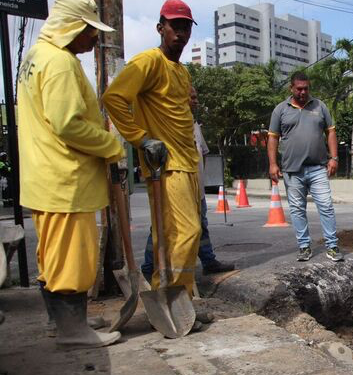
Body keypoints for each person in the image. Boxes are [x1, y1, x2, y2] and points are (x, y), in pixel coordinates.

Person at [18, 0, 123, 348]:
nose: (94, 37)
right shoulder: (61, 63)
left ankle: (61, 321)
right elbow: (68, 124)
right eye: (91, 29)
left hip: (43, 177)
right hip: (65, 180)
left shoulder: (36, 56)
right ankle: (72, 331)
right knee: (71, 260)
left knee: (51, 258)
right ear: (73, 27)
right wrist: (111, 146)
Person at [103, 0, 200, 296]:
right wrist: (141, 139)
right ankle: (175, 293)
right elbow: (114, 98)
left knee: (172, 235)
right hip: (167, 164)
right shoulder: (148, 61)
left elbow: (178, 112)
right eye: (175, 26)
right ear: (161, 28)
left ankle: (178, 294)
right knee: (187, 232)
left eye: (185, 27)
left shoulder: (181, 71)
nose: (180, 33)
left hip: (188, 160)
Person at [141, 86, 234, 279]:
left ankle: (208, 261)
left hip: (195, 187)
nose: (195, 101)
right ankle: (150, 267)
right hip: (175, 187)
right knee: (162, 227)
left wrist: (199, 178)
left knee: (201, 226)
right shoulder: (168, 125)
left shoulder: (194, 126)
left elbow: (204, 154)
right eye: (192, 98)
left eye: (196, 97)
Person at [267, 72, 344, 262]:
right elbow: (272, 137)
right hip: (292, 170)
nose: (303, 92)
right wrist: (272, 164)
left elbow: (331, 133)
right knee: (297, 209)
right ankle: (304, 247)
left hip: (318, 167)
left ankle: (332, 246)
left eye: (306, 88)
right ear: (291, 88)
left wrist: (334, 158)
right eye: (299, 89)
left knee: (326, 205)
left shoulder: (320, 106)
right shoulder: (280, 110)